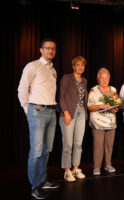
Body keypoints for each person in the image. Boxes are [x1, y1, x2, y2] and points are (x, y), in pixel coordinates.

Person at [17, 38, 60, 199]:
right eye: (47, 48)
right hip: (37, 111)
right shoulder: (32, 66)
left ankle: (42, 180)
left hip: (51, 112)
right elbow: (22, 89)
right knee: (36, 151)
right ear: (41, 50)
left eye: (53, 48)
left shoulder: (53, 69)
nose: (51, 51)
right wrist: (26, 108)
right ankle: (35, 186)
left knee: (47, 150)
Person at [59, 56, 88, 182]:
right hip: (69, 112)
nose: (80, 67)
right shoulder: (66, 78)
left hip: (81, 112)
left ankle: (76, 168)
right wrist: (65, 112)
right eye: (78, 65)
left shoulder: (84, 80)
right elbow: (61, 96)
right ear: (73, 66)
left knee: (78, 143)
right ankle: (67, 171)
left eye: (82, 65)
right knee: (68, 144)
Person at [88, 68, 119, 175]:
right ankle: (97, 166)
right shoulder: (93, 91)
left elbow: (116, 102)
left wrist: (115, 108)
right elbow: (90, 107)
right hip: (98, 123)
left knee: (109, 145)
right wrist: (102, 106)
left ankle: (108, 164)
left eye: (106, 78)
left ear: (109, 79)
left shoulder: (113, 90)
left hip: (111, 122)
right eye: (102, 78)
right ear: (98, 79)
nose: (104, 80)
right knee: (98, 145)